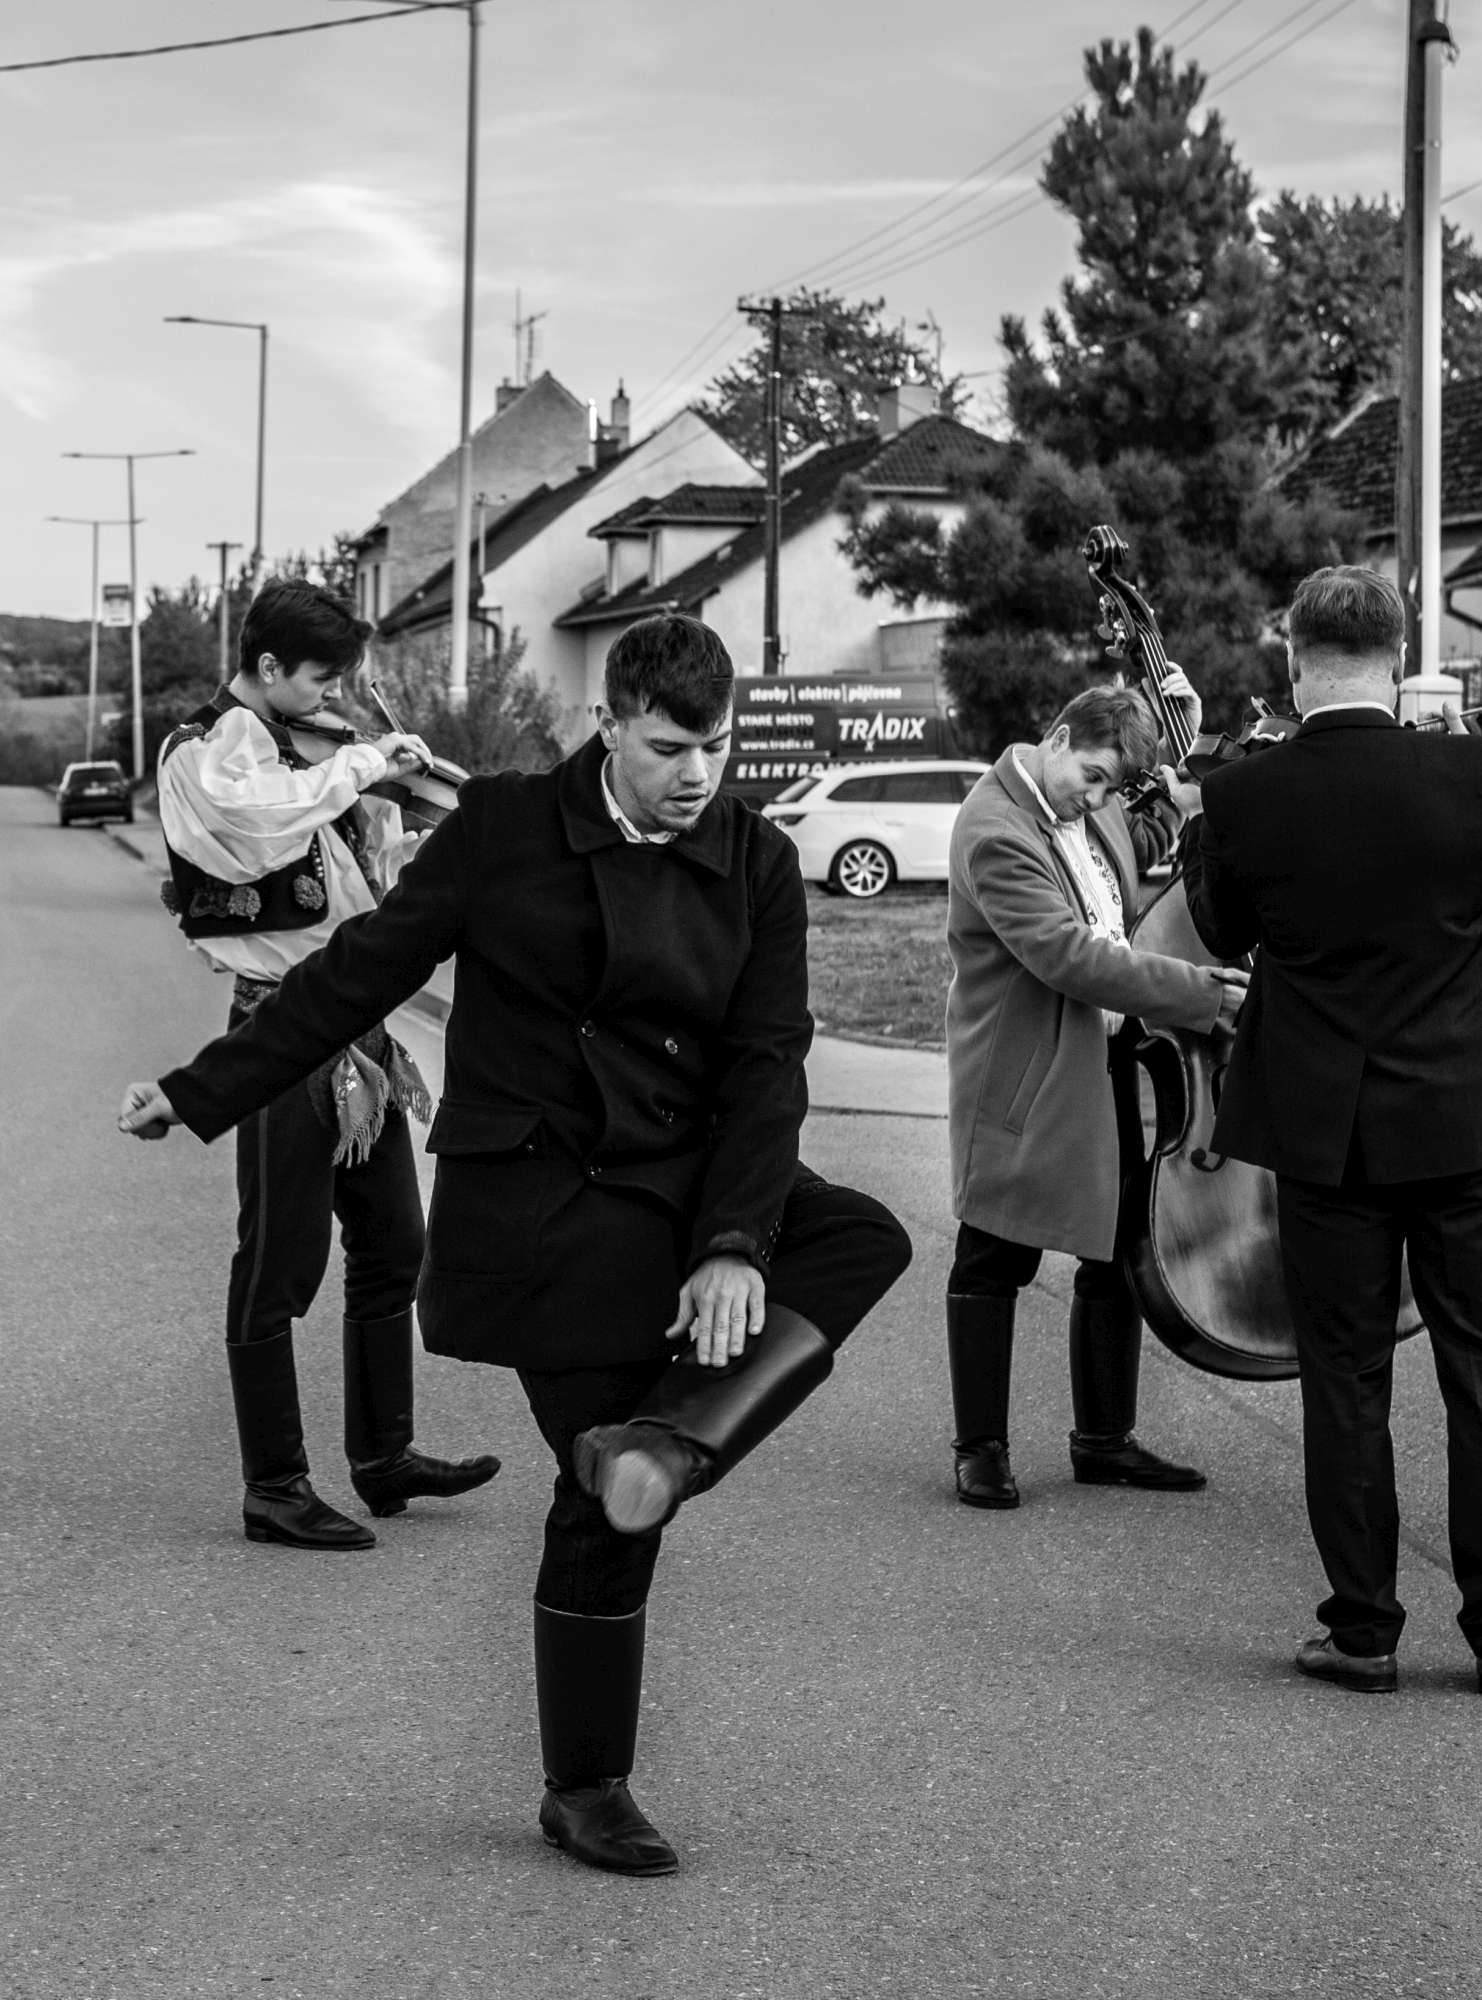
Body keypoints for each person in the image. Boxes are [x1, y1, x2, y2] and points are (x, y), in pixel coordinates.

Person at [120, 613, 911, 1877]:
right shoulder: (503, 827)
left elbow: (769, 1063)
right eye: (667, 748)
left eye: (715, 747)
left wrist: (735, 1242)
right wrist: (199, 1087)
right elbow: (359, 972)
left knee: (862, 1234)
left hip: (687, 1177)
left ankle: (670, 1441)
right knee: (604, 1504)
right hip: (546, 1202)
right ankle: (587, 1785)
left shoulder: (755, 859)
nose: (696, 774)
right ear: (608, 723)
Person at [1188, 566, 1482, 1698]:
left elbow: (1220, 928)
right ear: (1399, 655)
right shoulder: (1474, 768)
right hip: (1471, 1115)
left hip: (1327, 1132)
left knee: (1344, 1382)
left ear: (1293, 659)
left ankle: (1364, 1631)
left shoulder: (1245, 793)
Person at [151, 576, 500, 1553]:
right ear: (267, 667)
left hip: (358, 1026)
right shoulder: (206, 750)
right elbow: (256, 822)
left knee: (393, 1245)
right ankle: (274, 1486)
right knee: (278, 1263)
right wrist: (360, 764)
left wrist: (420, 821)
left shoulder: (309, 749)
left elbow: (356, 869)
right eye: (319, 679)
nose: (333, 697)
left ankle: (383, 1457)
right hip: (280, 1028)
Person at [942, 683, 1247, 1509]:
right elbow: (1068, 955)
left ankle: (1104, 1442)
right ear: (1057, 737)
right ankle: (980, 1450)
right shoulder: (995, 830)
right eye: (1094, 776)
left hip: (1100, 1058)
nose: (1101, 796)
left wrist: (1181, 771)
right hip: (1024, 1073)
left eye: (1112, 784)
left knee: (1115, 1247)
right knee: (994, 1255)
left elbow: (1135, 838)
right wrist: (1201, 992)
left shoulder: (1090, 802)